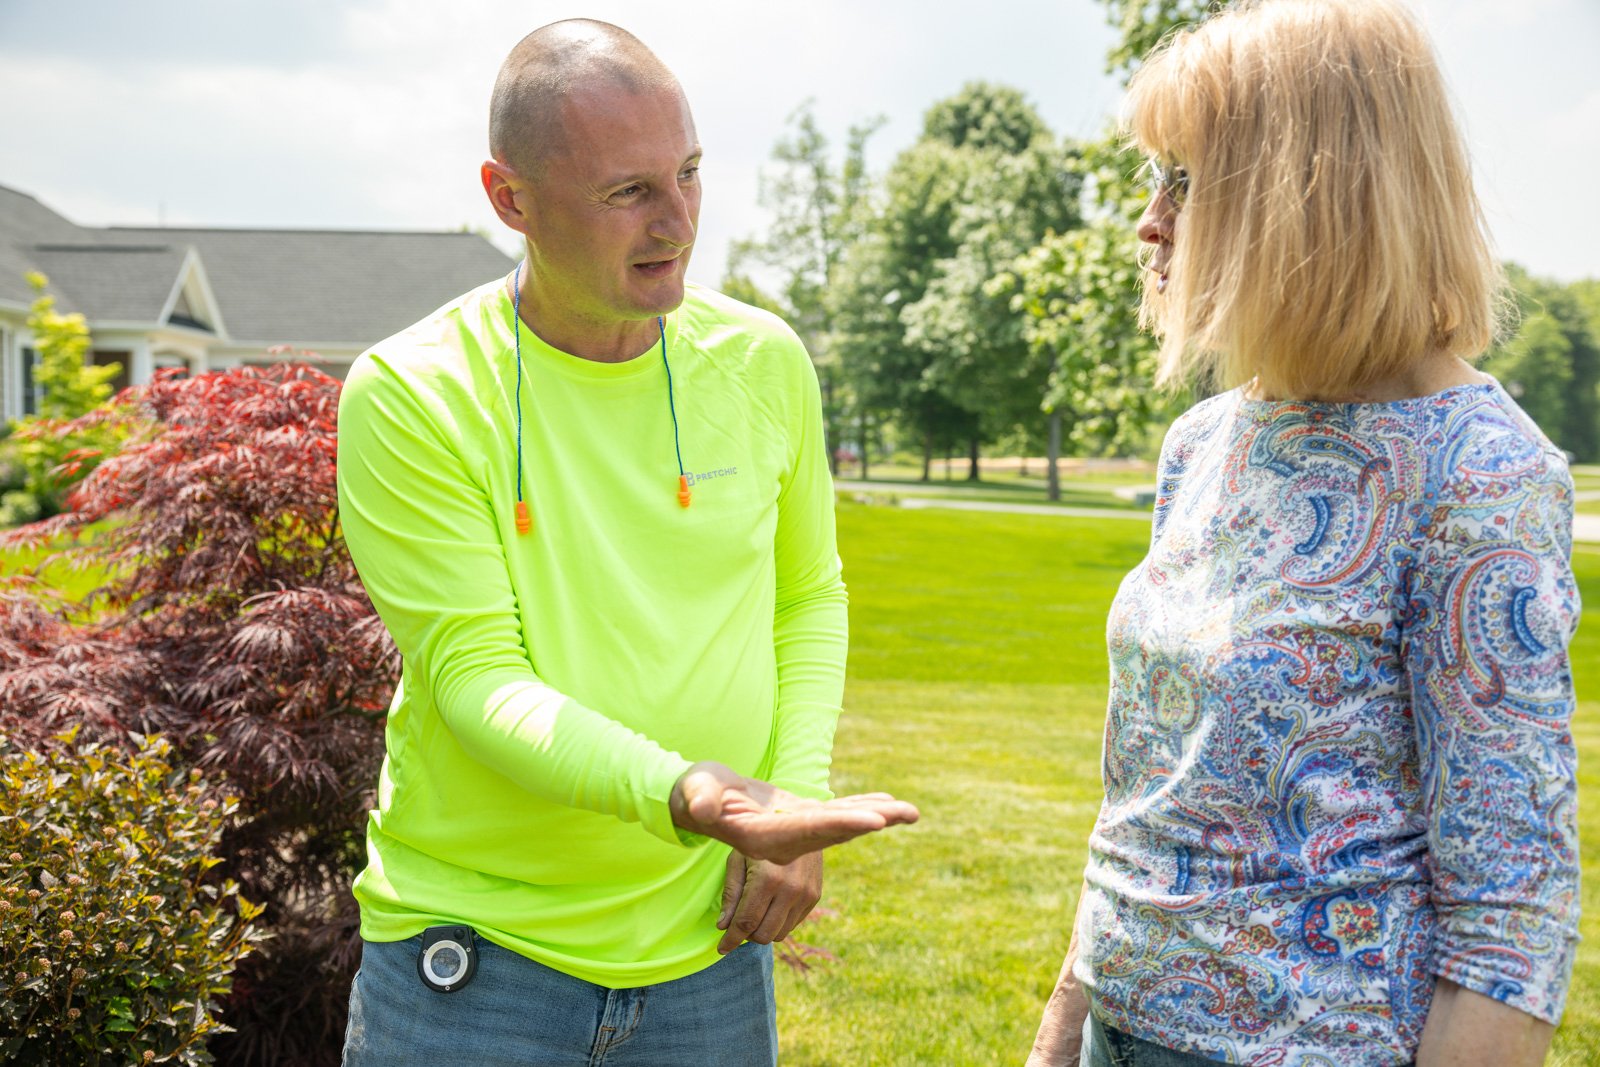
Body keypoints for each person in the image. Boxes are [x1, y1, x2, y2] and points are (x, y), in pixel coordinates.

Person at [335, 20, 917, 1065]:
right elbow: (476, 678)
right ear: (511, 199)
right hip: (478, 960)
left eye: (688, 173)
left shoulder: (764, 360)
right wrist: (700, 796)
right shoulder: (414, 393)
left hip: (708, 954)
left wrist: (791, 795)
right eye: (628, 192)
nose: (678, 221)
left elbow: (806, 595)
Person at [1027, 1, 1580, 1065]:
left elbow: (1510, 925)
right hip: (1115, 1029)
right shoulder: (1205, 440)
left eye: (1183, 180)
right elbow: (1148, 799)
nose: (1148, 222)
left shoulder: (1479, 472)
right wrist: (1059, 1036)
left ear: (1307, 195)